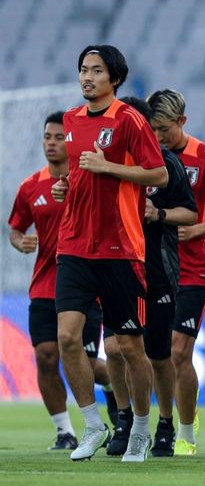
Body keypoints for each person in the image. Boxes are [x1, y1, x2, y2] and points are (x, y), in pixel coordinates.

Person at [52, 45, 168, 462]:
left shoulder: (130, 120)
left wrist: (111, 169)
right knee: (67, 337)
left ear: (114, 78)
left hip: (121, 248)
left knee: (129, 347)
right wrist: (66, 186)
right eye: (83, 69)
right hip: (75, 245)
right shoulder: (70, 120)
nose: (87, 77)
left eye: (96, 71)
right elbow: (78, 173)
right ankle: (93, 424)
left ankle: (139, 426)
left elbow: (158, 173)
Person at [8, 111, 114, 450]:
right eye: (48, 137)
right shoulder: (30, 187)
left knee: (86, 361)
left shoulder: (88, 179)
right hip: (44, 285)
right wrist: (19, 241)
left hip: (86, 283)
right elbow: (15, 227)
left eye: (59, 137)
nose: (52, 143)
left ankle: (115, 389)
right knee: (46, 356)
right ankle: (65, 431)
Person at [100, 95, 197, 459]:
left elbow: (190, 213)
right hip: (113, 266)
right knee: (115, 348)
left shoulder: (166, 164)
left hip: (157, 270)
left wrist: (158, 214)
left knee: (158, 356)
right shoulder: (104, 163)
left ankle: (167, 423)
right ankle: (125, 419)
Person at [147, 89, 205, 456]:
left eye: (164, 129)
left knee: (178, 351)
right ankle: (169, 417)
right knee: (157, 354)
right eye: (153, 129)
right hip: (154, 267)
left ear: (182, 122)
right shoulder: (148, 159)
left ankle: (185, 434)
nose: (158, 137)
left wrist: (197, 230)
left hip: (194, 269)